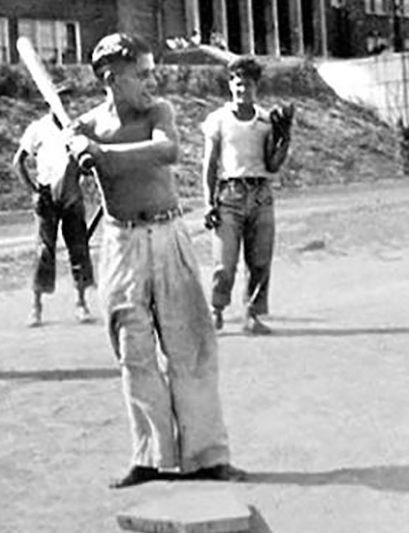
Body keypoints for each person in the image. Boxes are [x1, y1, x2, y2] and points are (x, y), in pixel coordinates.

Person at [65, 32, 245, 488]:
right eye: (141, 73)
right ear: (111, 78)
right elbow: (59, 191)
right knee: (134, 352)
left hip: (168, 236)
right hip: (120, 244)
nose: (152, 80)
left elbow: (168, 150)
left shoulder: (158, 112)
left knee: (191, 345)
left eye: (152, 71)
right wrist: (71, 154)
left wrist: (103, 154)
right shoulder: (86, 126)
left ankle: (207, 455)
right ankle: (150, 457)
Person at [201, 56, 292, 335]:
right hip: (229, 194)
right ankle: (216, 309)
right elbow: (210, 163)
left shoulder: (265, 120)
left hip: (261, 194)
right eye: (238, 84)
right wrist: (208, 202)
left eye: (249, 85)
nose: (243, 90)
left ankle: (252, 314)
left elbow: (272, 164)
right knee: (224, 263)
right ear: (231, 85)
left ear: (257, 87)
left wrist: (284, 136)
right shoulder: (217, 120)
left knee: (260, 261)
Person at [13, 109, 95, 327]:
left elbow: (90, 164)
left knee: (79, 249)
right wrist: (33, 191)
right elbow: (18, 162)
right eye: (60, 98)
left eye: (67, 99)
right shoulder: (38, 128)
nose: (64, 104)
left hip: (71, 195)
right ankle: (36, 307)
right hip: (47, 196)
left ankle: (81, 303)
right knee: (44, 251)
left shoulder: (77, 129)